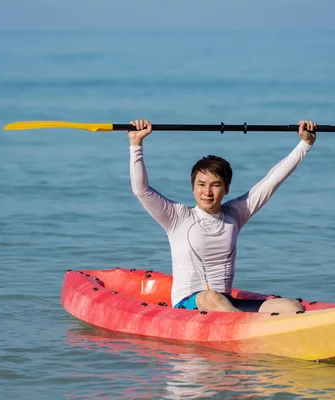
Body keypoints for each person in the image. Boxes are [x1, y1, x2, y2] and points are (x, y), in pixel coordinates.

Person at [128, 119, 317, 313]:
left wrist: (305, 144)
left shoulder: (235, 214)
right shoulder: (177, 217)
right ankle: (244, 328)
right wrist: (136, 145)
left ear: (226, 188)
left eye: (215, 185)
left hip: (226, 303)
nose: (207, 192)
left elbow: (271, 181)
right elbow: (141, 191)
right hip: (190, 304)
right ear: (193, 189)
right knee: (211, 297)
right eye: (201, 185)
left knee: (291, 306)